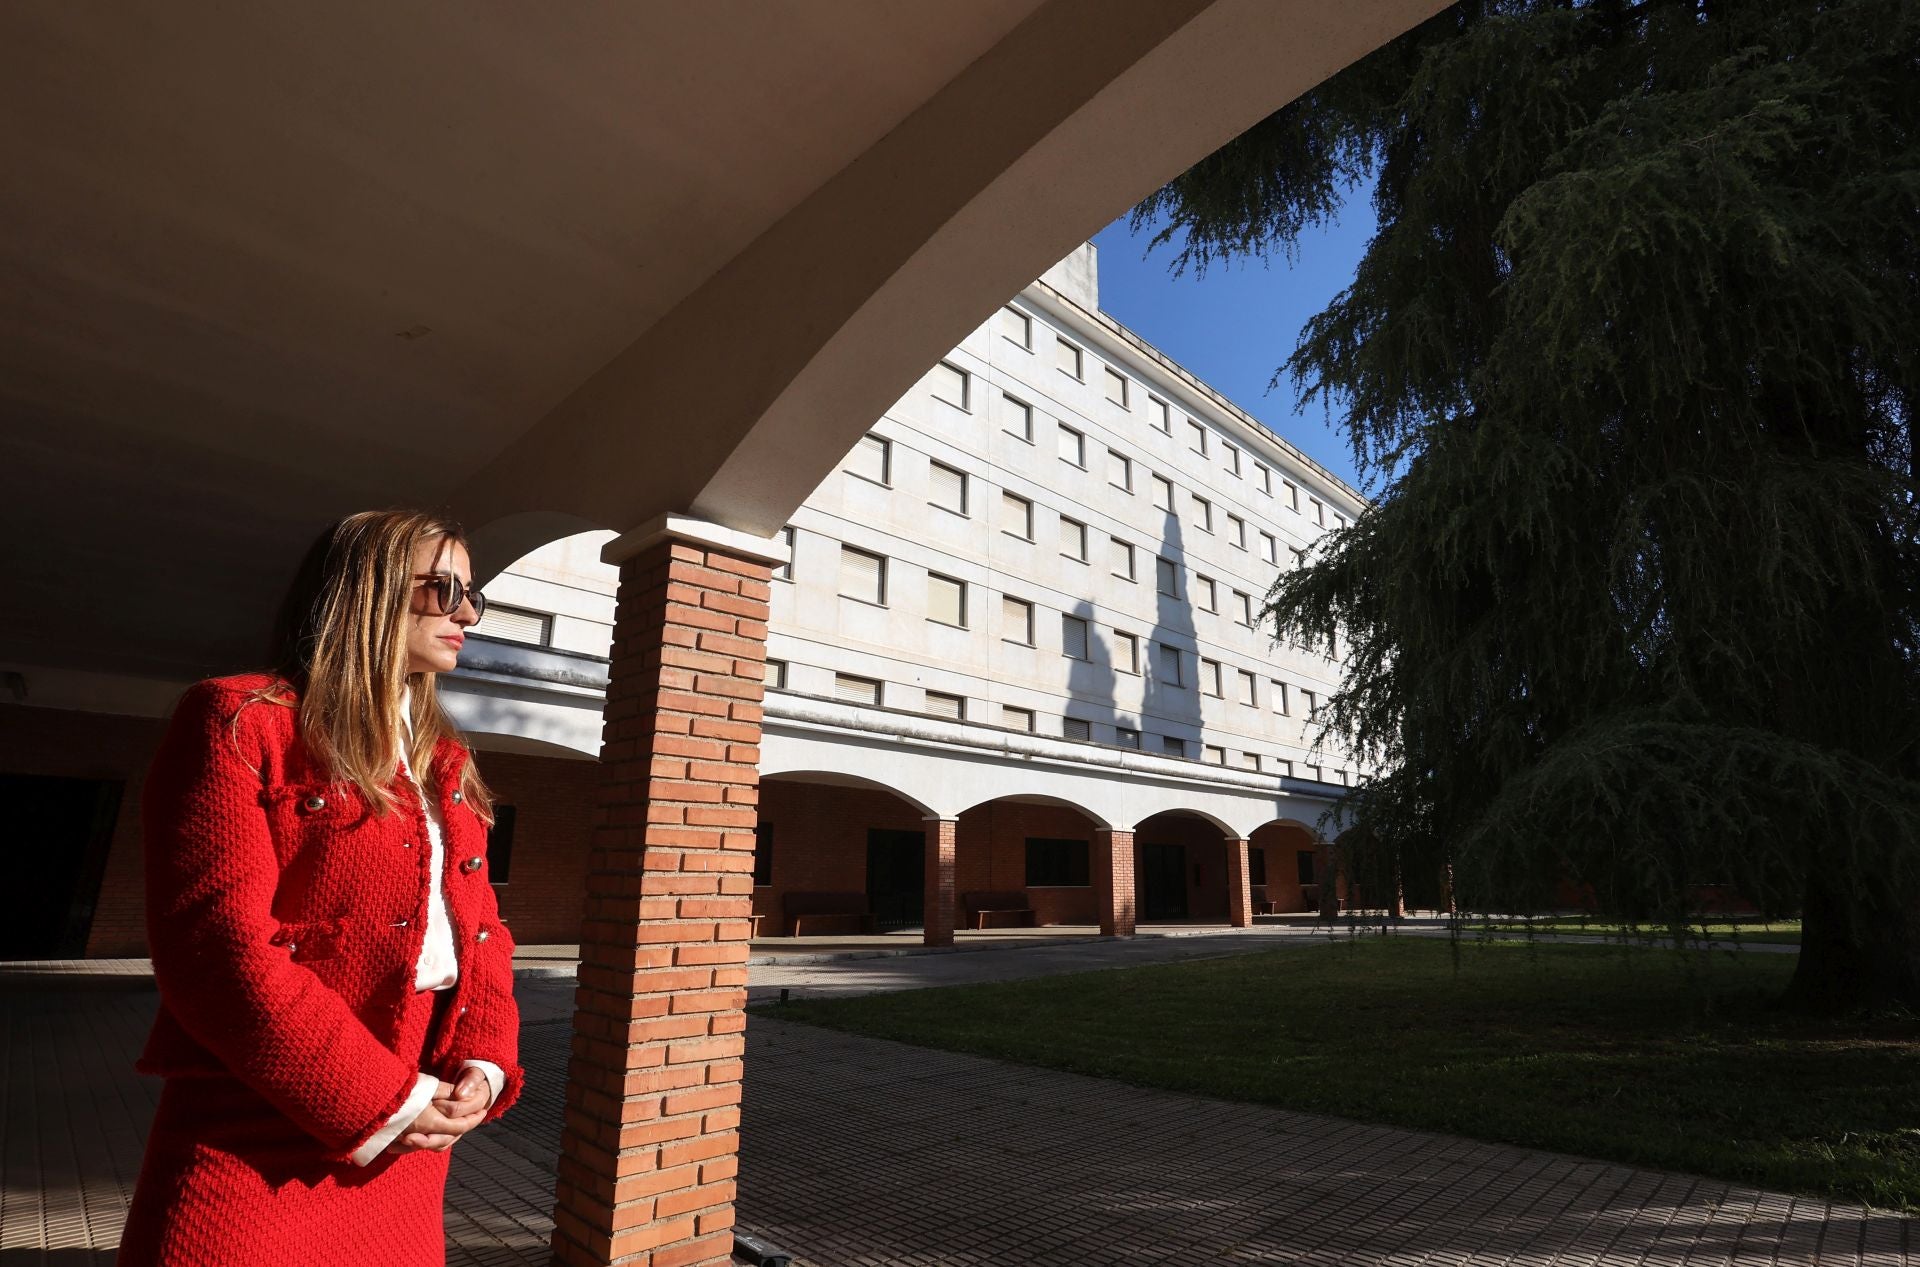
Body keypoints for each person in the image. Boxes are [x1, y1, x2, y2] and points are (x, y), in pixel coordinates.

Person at [119, 509, 524, 1266]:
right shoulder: (240, 719)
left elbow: (483, 929)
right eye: (444, 588)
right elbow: (216, 951)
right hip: (256, 1131)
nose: (466, 612)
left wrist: (485, 1056)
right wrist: (385, 1099)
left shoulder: (447, 759)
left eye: (474, 595)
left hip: (415, 1140)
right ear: (368, 589)